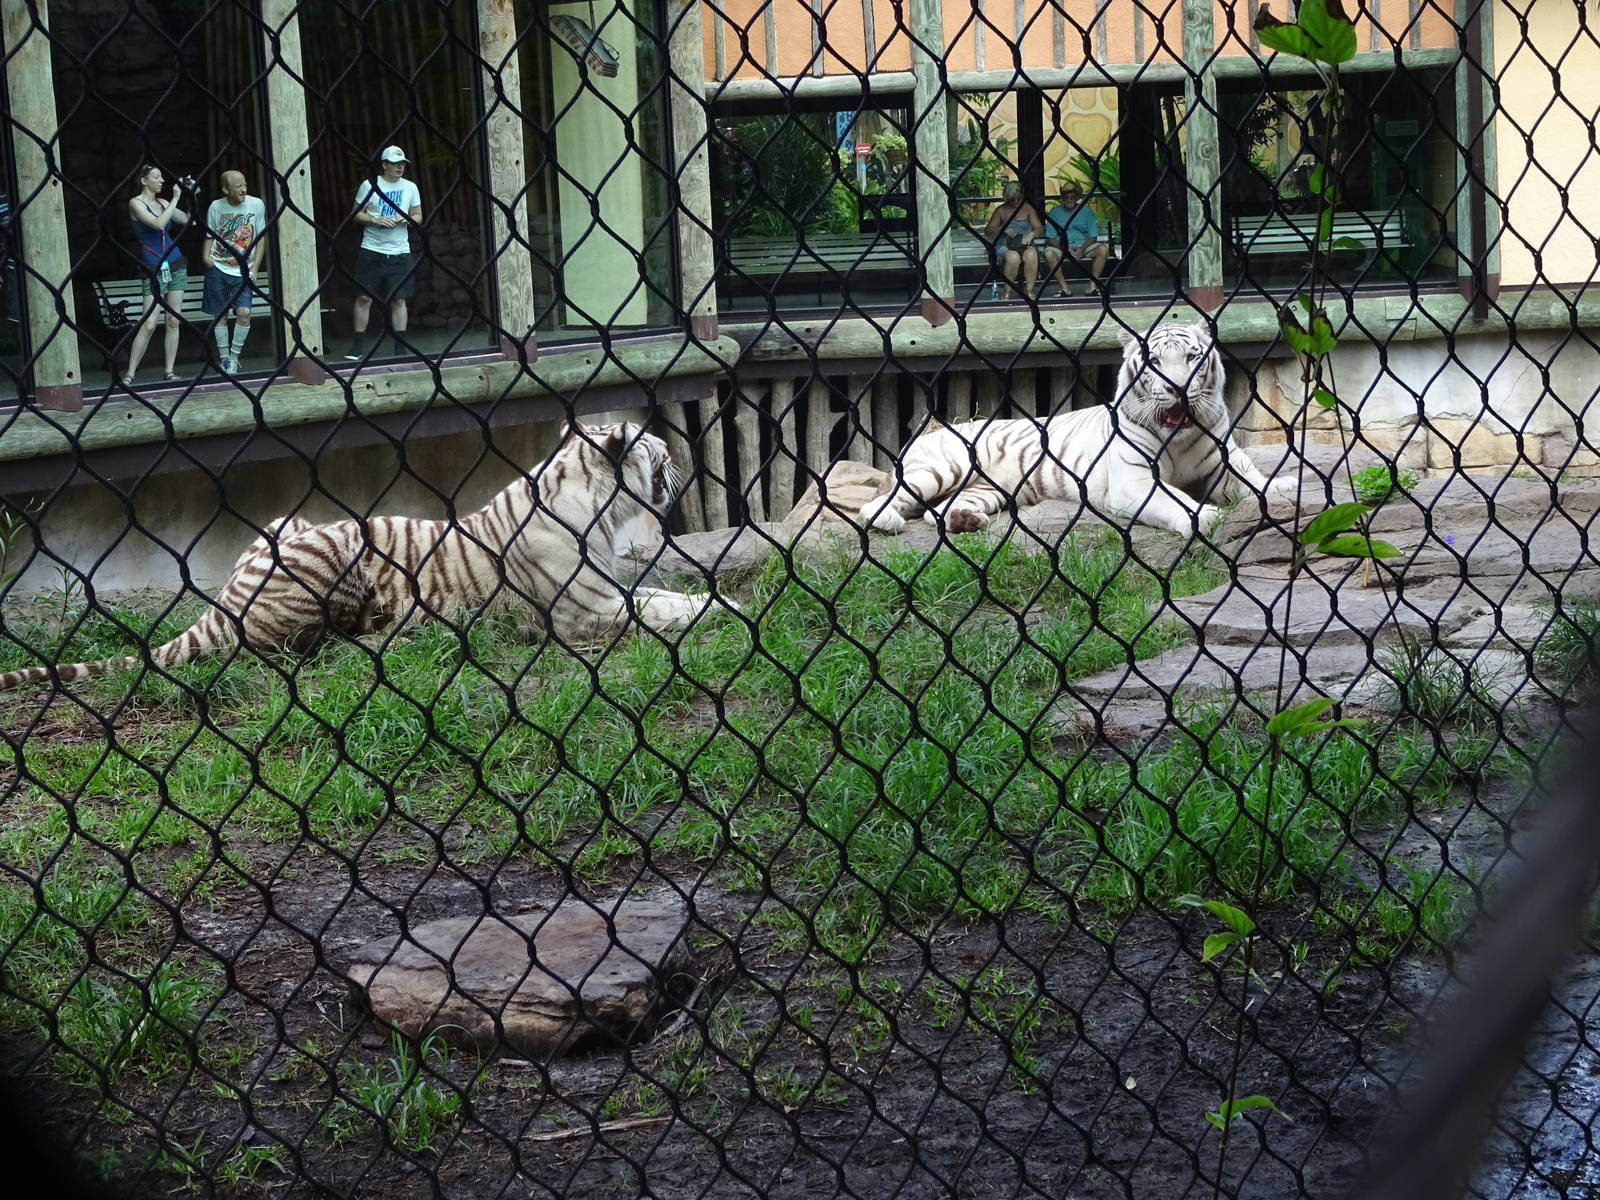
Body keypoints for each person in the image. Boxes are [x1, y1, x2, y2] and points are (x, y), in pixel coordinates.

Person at [347, 145, 422, 360]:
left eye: (402, 164)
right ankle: (357, 347)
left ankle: (400, 347)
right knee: (364, 298)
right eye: (395, 164)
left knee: (399, 299)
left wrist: (405, 219)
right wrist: (374, 219)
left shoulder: (410, 187)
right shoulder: (369, 185)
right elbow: (355, 214)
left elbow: (417, 215)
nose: (400, 168)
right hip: (371, 249)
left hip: (400, 251)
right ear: (384, 164)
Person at [124, 164, 196, 386]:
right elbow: (157, 224)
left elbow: (189, 220)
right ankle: (130, 373)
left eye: (162, 177)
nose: (162, 180)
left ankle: (169, 370)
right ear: (144, 180)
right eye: (156, 177)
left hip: (175, 262)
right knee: (149, 323)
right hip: (153, 266)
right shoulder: (135, 203)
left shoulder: (163, 202)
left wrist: (189, 195)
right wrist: (174, 198)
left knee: (173, 319)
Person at [200, 169, 267, 376]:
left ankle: (234, 357)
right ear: (225, 189)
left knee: (244, 312)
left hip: (244, 269)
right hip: (219, 265)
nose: (243, 189)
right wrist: (206, 258)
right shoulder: (216, 207)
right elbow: (210, 234)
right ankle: (224, 359)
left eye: (245, 184)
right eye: (238, 186)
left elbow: (260, 237)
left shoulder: (256, 205)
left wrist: (255, 267)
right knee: (220, 315)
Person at [983, 181, 1046, 300]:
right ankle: (1007, 292)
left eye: (1019, 199)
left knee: (1032, 255)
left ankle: (1029, 291)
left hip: (1024, 244)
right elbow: (988, 231)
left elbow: (1040, 228)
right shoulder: (1001, 210)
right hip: (1005, 245)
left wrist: (1032, 233)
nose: (1016, 202)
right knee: (1013, 258)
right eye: (1012, 200)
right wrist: (1002, 229)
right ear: (1007, 198)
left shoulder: (1028, 208)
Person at [1043, 185, 1109, 298]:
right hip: (1062, 248)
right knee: (1048, 253)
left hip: (1083, 247)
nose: (1069, 199)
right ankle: (1065, 289)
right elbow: (1050, 238)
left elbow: (1093, 236)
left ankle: (1091, 287)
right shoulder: (1055, 211)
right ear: (1062, 197)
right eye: (1066, 196)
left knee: (1103, 249)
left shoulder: (1086, 211)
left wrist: (1082, 249)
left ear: (1077, 197)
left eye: (1072, 196)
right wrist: (1064, 248)